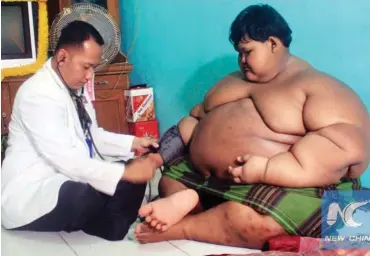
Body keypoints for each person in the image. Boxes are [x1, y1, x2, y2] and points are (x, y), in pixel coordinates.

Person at [134, 4, 370, 249]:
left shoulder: (319, 87)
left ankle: (184, 227)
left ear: (273, 43)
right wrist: (157, 157)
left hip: (287, 185)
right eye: (239, 53)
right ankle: (191, 200)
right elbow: (193, 121)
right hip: (212, 180)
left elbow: (345, 146)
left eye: (248, 51)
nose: (242, 60)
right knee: (169, 182)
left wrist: (267, 169)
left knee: (253, 222)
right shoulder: (233, 80)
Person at [1, 20, 163, 241]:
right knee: (83, 193)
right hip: (33, 191)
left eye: (93, 68)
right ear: (62, 57)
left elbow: (93, 135)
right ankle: (105, 218)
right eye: (86, 66)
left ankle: (109, 224)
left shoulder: (74, 87)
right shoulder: (37, 94)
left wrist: (134, 143)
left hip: (72, 175)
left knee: (132, 172)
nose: (89, 76)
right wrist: (123, 173)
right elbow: (67, 161)